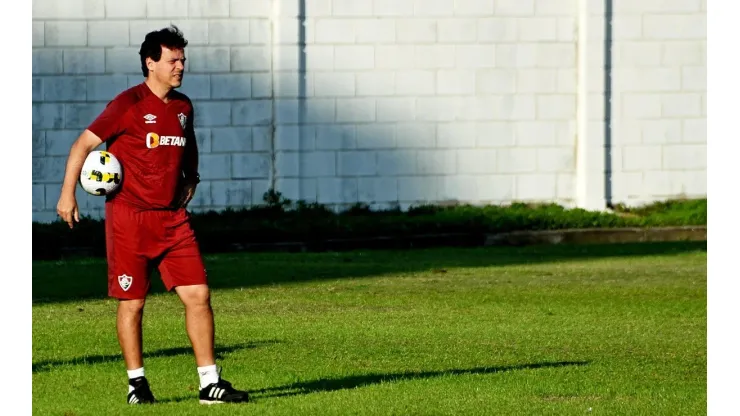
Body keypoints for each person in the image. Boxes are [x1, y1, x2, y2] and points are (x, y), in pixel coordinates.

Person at [55, 25, 249, 405]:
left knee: (199, 295)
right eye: (172, 60)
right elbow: (83, 143)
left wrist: (191, 176)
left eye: (182, 59)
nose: (180, 66)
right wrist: (67, 194)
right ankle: (137, 385)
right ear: (150, 63)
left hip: (173, 219)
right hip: (130, 219)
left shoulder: (183, 106)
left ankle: (210, 383)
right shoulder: (127, 104)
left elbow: (188, 146)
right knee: (134, 302)